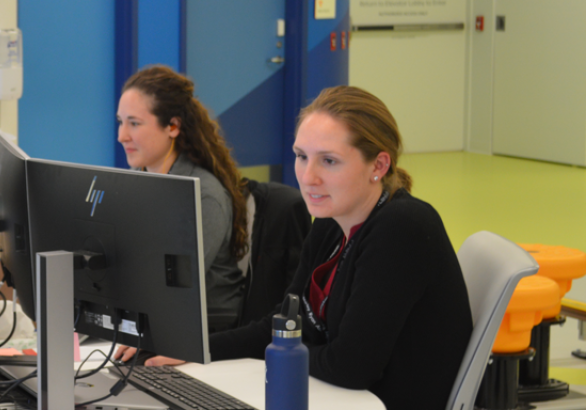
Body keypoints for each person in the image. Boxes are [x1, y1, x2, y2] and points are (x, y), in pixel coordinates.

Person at [119, 86, 472, 409]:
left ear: (378, 165)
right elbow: (285, 326)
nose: (308, 176)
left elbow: (351, 367)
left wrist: (282, 351)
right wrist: (193, 348)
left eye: (329, 161)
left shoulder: (402, 227)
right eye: (302, 156)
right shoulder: (331, 223)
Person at [116, 65, 249, 332]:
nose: (122, 136)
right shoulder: (137, 181)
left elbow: (175, 285)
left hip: (204, 329)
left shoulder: (203, 195)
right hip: (155, 319)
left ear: (173, 126)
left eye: (135, 123)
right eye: (121, 122)